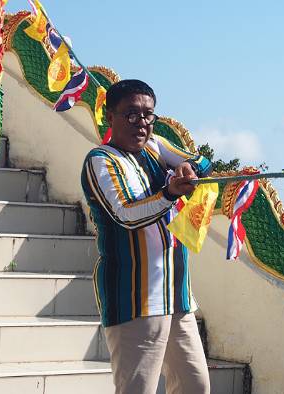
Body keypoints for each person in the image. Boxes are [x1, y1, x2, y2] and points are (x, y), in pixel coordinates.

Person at [81, 79, 212, 394]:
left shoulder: (156, 146)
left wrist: (187, 171)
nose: (141, 123)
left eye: (148, 115)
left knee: (196, 386)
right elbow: (125, 215)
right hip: (134, 296)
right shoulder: (100, 160)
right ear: (109, 117)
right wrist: (168, 192)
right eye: (131, 114)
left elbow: (202, 165)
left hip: (175, 294)